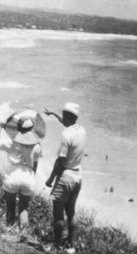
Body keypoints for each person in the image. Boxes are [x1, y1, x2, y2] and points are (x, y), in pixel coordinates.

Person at [44, 103, 86, 254]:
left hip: (65, 176)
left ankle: (57, 245)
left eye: (63, 115)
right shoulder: (81, 130)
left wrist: (50, 179)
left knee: (58, 213)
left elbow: (60, 160)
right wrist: (53, 113)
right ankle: (72, 247)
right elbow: (67, 123)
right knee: (71, 212)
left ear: (67, 116)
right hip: (77, 176)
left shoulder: (66, 135)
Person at [0, 108, 45, 228]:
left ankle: (9, 232)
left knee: (10, 209)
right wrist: (32, 177)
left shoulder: (11, 142)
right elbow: (35, 164)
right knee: (24, 210)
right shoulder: (37, 146)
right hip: (28, 176)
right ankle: (23, 235)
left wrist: (0, 126)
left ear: (18, 128)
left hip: (12, 175)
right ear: (32, 129)